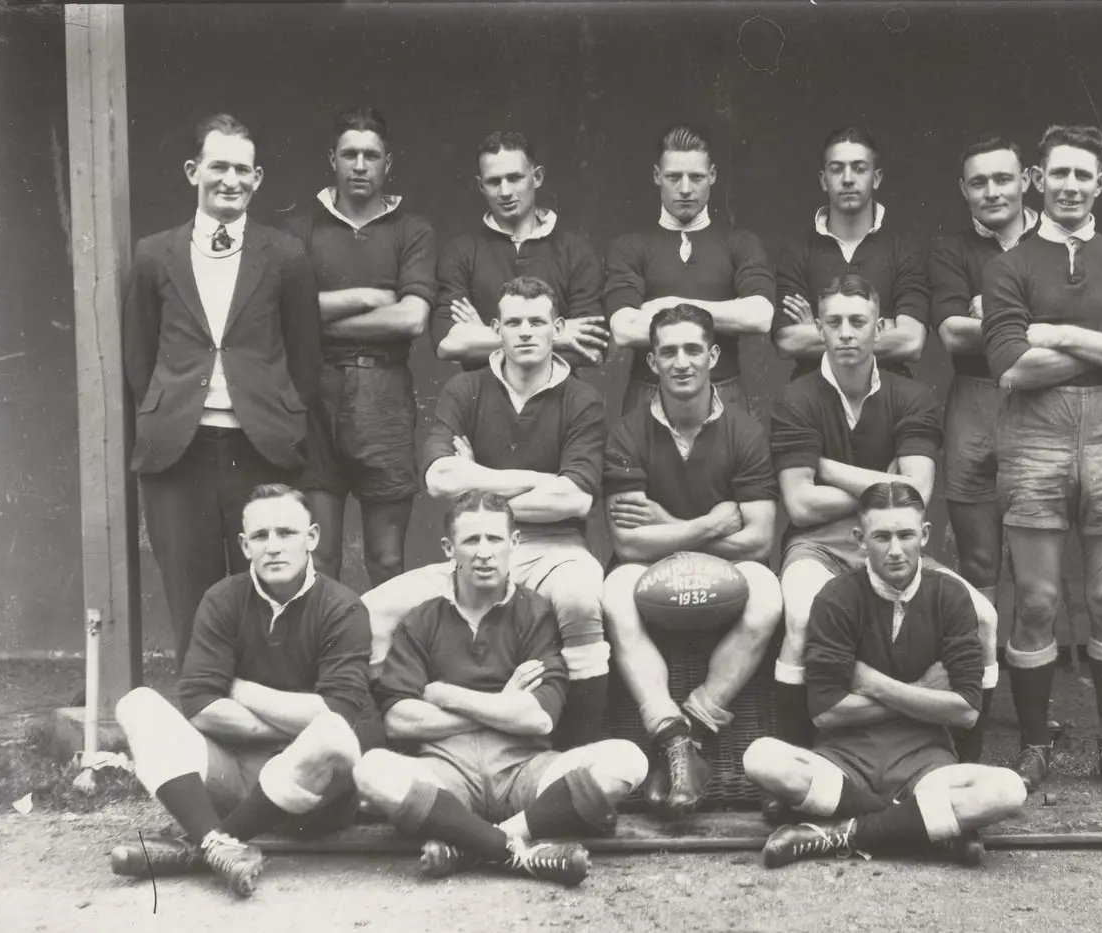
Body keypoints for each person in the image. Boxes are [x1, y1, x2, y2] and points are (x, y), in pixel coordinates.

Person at [982, 125, 1102, 797]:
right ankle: (1034, 747)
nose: (1068, 185)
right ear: (1037, 179)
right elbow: (1012, 365)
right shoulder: (1010, 265)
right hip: (1034, 434)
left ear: (1100, 184)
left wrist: (1060, 332)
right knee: (1035, 599)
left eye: (1081, 175)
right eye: (1056, 173)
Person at [351, 491, 649, 888]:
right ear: (448, 548)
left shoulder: (537, 613)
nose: (484, 553)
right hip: (446, 775)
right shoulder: (421, 620)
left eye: (494, 539)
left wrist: (445, 695)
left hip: (524, 771)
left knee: (628, 760)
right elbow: (400, 722)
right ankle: (515, 852)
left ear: (514, 544)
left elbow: (538, 718)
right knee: (371, 770)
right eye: (471, 540)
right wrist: (503, 703)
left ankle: (479, 844)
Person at [363, 276, 611, 749]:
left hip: (554, 550)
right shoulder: (465, 388)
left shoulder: (582, 398)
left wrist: (476, 473)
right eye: (513, 322)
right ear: (496, 328)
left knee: (581, 597)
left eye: (537, 321)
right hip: (473, 547)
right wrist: (541, 480)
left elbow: (576, 499)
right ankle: (402, 748)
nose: (525, 332)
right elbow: (439, 479)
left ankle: (575, 753)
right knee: (371, 612)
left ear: (557, 328)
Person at [770, 274, 996, 773]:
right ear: (819, 330)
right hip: (818, 546)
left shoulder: (911, 395)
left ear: (880, 328)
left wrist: (827, 467)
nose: (846, 333)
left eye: (858, 321)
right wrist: (884, 481)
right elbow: (801, 506)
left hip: (898, 545)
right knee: (803, 619)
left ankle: (965, 764)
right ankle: (797, 764)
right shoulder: (797, 398)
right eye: (834, 322)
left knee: (983, 617)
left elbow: (914, 496)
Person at [743, 483, 1027, 869]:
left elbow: (966, 712)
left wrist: (876, 685)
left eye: (906, 535)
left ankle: (838, 834)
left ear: (924, 536)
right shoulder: (835, 597)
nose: (895, 550)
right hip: (844, 763)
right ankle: (920, 826)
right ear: (860, 540)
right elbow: (826, 713)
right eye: (881, 537)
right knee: (761, 758)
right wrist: (924, 694)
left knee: (1008, 791)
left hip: (925, 765)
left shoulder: (950, 596)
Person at [123, 113, 320, 666]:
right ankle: (199, 727)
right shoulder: (153, 254)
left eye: (243, 169)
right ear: (193, 172)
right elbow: (139, 356)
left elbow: (305, 357)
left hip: (259, 450)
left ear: (257, 180)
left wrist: (279, 417)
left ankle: (264, 725)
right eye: (218, 166)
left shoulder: (284, 255)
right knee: (194, 599)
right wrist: (172, 410)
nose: (230, 179)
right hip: (180, 453)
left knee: (267, 592)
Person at [109, 485, 372, 898]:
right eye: (260, 536)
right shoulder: (223, 599)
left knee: (333, 735)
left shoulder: (344, 607)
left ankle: (203, 844)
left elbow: (337, 714)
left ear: (313, 538)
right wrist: (298, 719)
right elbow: (200, 705)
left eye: (286, 533)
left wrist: (241, 690)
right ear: (244, 545)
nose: (273, 547)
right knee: (136, 704)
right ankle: (220, 845)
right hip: (231, 779)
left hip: (309, 796)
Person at [601, 304, 784, 818]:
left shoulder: (745, 432)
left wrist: (665, 526)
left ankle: (694, 730)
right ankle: (668, 728)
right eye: (668, 352)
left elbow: (759, 539)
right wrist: (705, 526)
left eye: (692, 350)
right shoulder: (626, 433)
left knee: (767, 593)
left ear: (713, 355)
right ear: (652, 363)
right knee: (615, 593)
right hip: (651, 567)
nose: (681, 362)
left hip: (728, 565)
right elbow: (629, 545)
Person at [287, 106, 436, 587]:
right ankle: (327, 661)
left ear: (387, 163)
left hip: (384, 396)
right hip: (317, 396)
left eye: (370, 155)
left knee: (386, 559)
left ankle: (387, 663)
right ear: (332, 158)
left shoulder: (411, 231)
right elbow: (285, 314)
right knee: (320, 557)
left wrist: (318, 315)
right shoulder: (302, 232)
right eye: (349, 153)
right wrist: (366, 296)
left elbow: (412, 318)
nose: (359, 164)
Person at [926, 134, 1038, 762]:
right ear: (964, 189)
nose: (992, 192)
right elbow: (951, 334)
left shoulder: (1055, 245)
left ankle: (1034, 732)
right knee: (977, 566)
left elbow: (982, 328)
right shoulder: (950, 250)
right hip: (973, 402)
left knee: (1036, 571)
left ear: (1027, 180)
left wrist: (988, 313)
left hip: (1041, 405)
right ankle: (974, 722)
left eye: (1003, 179)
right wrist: (1023, 320)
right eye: (978, 182)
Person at [604, 124, 774, 413]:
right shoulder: (630, 246)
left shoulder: (741, 243)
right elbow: (624, 328)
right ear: (658, 176)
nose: (685, 189)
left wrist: (672, 305)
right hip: (648, 398)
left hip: (724, 396)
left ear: (712, 176)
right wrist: (724, 313)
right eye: (674, 177)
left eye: (696, 177)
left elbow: (760, 316)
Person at [434, 131, 609, 371]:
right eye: (494, 181)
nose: (505, 192)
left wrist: (484, 336)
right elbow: (448, 344)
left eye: (515, 178)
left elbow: (591, 350)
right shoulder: (460, 253)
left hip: (558, 403)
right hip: (484, 402)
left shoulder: (576, 252)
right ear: (480, 186)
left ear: (536, 177)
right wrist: (556, 335)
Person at [772, 127, 929, 381]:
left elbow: (911, 342)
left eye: (859, 168)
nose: (847, 178)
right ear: (823, 179)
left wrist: (817, 329)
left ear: (876, 178)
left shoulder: (903, 250)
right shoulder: (797, 251)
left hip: (888, 403)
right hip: (812, 402)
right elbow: (787, 342)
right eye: (836, 169)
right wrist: (882, 328)